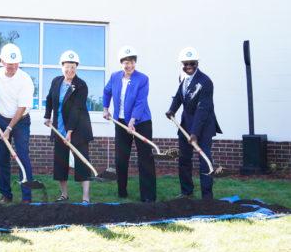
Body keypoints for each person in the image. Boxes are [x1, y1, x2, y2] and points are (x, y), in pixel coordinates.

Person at [166, 47, 222, 199]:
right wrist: (172, 110)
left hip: (203, 126)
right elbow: (179, 96)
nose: (188, 66)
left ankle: (207, 196)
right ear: (182, 64)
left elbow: (203, 109)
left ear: (197, 63)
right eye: (185, 63)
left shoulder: (206, 82)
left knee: (204, 160)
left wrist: (195, 133)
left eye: (192, 63)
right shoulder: (183, 77)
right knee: (184, 160)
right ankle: (186, 192)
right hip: (185, 125)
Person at [102, 46, 156, 202]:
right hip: (120, 122)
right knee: (121, 158)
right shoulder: (114, 77)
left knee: (145, 158)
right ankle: (122, 192)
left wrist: (132, 121)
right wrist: (106, 108)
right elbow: (107, 92)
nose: (129, 65)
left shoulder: (143, 79)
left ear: (135, 63)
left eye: (131, 62)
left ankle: (148, 196)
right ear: (121, 63)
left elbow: (140, 102)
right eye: (125, 62)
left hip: (141, 122)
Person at [0, 43, 35, 204]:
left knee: (22, 156)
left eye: (16, 63)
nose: (13, 66)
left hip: (20, 121)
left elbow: (21, 108)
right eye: (9, 63)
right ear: (2, 61)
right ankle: (6, 195)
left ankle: (26, 197)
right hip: (1, 117)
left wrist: (9, 128)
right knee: (2, 158)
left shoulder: (25, 80)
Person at [44, 50, 94, 203]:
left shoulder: (81, 85)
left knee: (82, 161)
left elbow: (76, 109)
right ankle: (64, 194)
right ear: (62, 67)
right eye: (67, 66)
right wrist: (47, 116)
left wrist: (70, 131)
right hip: (59, 127)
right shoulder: (56, 81)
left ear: (76, 68)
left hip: (78, 129)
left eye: (73, 67)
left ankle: (85, 197)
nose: (70, 70)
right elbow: (49, 99)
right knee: (60, 162)